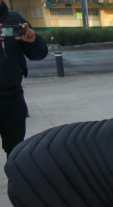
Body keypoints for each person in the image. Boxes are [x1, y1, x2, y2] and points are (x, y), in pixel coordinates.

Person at [0, 0, 47, 156]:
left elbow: (40, 54)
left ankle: (15, 180)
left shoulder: (15, 21)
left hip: (11, 98)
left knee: (15, 150)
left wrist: (32, 41)